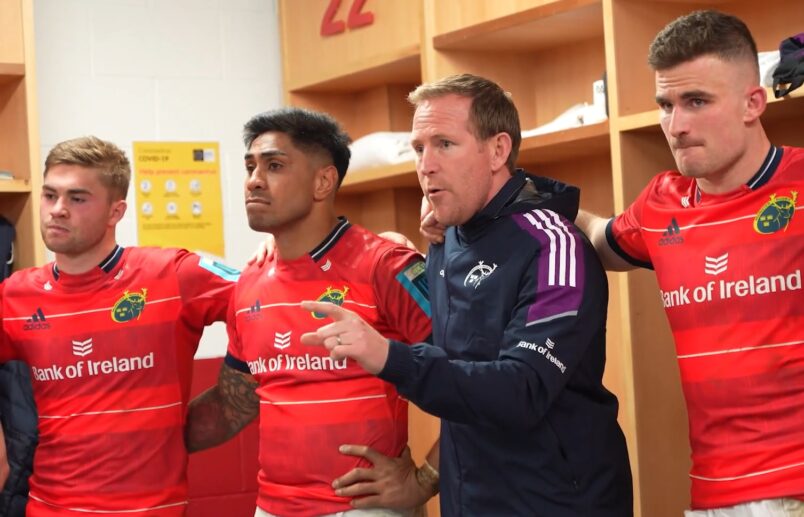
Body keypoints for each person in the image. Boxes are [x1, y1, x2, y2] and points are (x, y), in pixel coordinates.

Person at [302, 74, 634, 516]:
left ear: (498, 150)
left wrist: (389, 357)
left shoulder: (552, 244)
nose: (426, 164)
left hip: (558, 502)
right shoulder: (448, 236)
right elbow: (464, 384)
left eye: (445, 144)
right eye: (419, 147)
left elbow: (522, 390)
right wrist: (425, 481)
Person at [572, 10, 804, 516]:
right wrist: (508, 208)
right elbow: (595, 240)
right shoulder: (661, 203)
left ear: (752, 103)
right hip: (711, 493)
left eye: (696, 102)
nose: (675, 126)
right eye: (665, 105)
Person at [185, 107, 436, 517]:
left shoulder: (386, 265)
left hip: (364, 506)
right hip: (272, 507)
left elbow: (473, 381)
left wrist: (424, 480)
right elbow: (236, 404)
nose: (253, 180)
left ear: (323, 181)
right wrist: (136, 443)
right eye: (250, 166)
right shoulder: (250, 279)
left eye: (275, 165)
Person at [0, 136, 238, 516]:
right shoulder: (13, 296)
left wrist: (236, 389)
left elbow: (274, 302)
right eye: (50, 195)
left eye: (77, 198)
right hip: (49, 509)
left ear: (116, 211)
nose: (57, 210)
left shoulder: (174, 274)